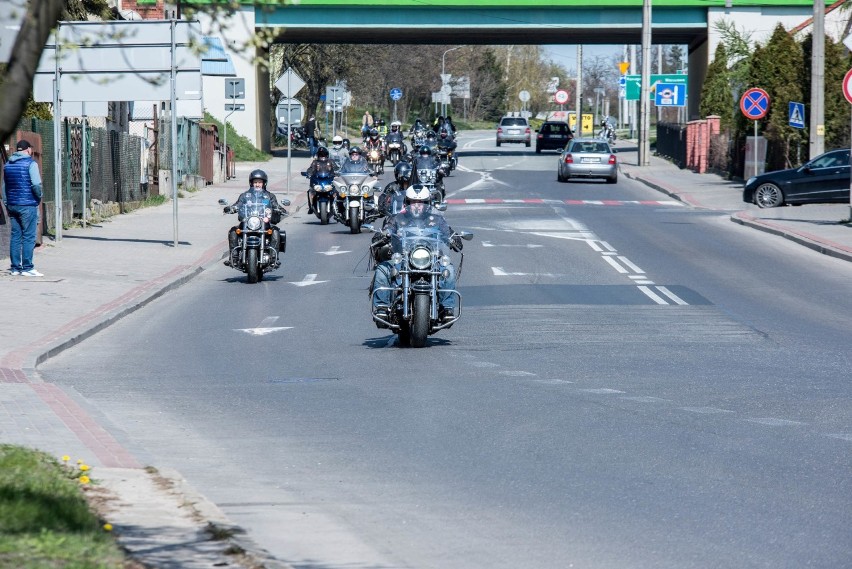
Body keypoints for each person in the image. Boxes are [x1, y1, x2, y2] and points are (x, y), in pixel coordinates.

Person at [369, 185, 462, 322]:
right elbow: (386, 230)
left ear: (427, 204)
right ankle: (382, 307)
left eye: (421, 203)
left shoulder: (436, 219)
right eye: (413, 202)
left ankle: (446, 308)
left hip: (431, 259)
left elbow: (448, 232)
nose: (417, 206)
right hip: (403, 258)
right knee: (383, 269)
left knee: (448, 270)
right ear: (407, 203)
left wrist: (454, 238)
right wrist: (382, 235)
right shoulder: (397, 219)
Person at [223, 169, 285, 267]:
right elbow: (238, 204)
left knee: (276, 232)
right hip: (248, 222)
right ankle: (233, 258)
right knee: (233, 231)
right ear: (251, 183)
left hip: (263, 222)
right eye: (255, 182)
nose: (257, 184)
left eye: (260, 182)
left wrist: (280, 209)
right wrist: (231, 208)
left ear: (264, 183)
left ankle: (274, 258)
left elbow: (274, 205)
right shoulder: (245, 196)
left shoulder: (269, 196)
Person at [3, 139, 43, 277]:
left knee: (15, 236)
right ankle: (27, 267)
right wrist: (39, 197)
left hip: (13, 205)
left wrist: (8, 204)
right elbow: (36, 185)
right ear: (28, 150)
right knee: (28, 236)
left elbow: (4, 187)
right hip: (27, 205)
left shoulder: (7, 165)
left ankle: (15, 267)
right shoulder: (31, 164)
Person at [305, 146, 337, 215]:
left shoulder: (330, 161)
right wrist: (308, 173)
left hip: (328, 180)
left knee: (337, 191)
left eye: (324, 154)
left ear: (327, 155)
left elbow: (336, 168)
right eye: (320, 155)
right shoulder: (315, 162)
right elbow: (310, 169)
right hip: (318, 181)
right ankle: (311, 207)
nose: (322, 156)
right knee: (310, 191)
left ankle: (338, 206)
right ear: (318, 155)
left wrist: (337, 173)